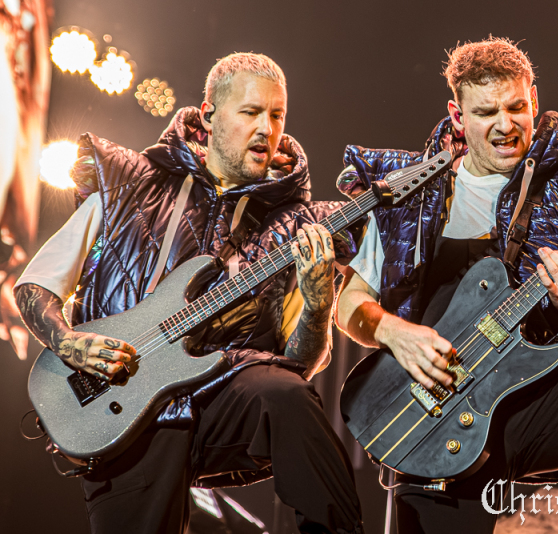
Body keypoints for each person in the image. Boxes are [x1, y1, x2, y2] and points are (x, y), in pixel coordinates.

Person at [335, 37, 558, 533]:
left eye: (515, 107)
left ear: (534, 99)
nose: (505, 125)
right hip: (435, 413)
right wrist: (397, 334)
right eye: (486, 112)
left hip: (538, 397)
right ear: (457, 115)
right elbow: (350, 306)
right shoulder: (410, 193)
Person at [15, 53, 363, 534]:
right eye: (250, 112)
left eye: (277, 115)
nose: (266, 129)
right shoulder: (130, 182)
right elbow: (36, 284)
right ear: (209, 115)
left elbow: (299, 361)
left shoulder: (297, 225)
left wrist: (320, 305)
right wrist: (70, 343)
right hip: (119, 408)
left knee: (288, 396)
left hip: (223, 396)